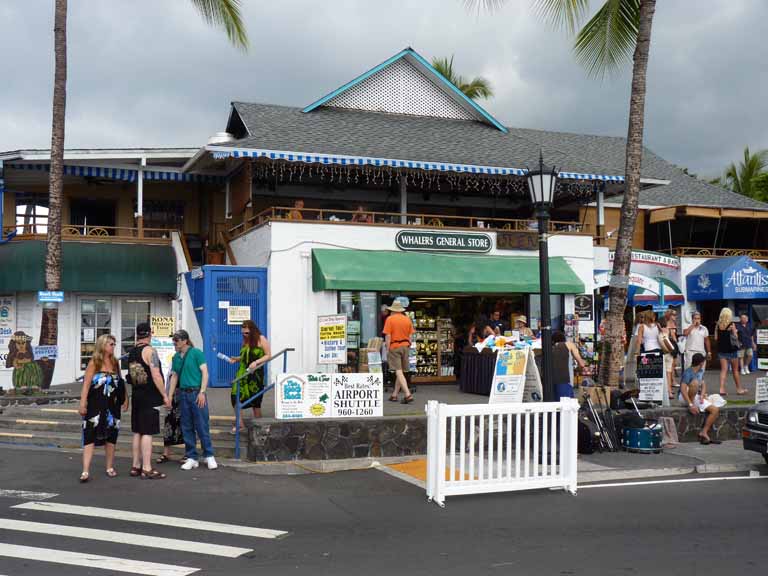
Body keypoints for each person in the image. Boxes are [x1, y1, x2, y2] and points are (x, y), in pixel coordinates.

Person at [78, 334, 127, 483]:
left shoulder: (114, 362)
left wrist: (125, 399)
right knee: (90, 435)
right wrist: (82, 403)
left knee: (111, 436)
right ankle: (85, 470)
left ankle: (109, 467)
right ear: (103, 345)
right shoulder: (94, 362)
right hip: (95, 405)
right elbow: (86, 384)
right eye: (110, 344)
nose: (113, 346)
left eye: (114, 344)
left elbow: (120, 382)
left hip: (112, 405)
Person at [126, 323, 171, 479]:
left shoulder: (132, 352)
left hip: (137, 394)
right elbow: (156, 375)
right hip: (150, 396)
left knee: (137, 431)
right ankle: (147, 467)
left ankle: (135, 465)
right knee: (147, 431)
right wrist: (165, 395)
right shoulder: (150, 351)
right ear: (150, 334)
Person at [168, 330, 217, 470]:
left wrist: (202, 392)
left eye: (176, 341)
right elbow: (175, 377)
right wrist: (170, 395)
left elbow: (205, 372)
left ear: (185, 341)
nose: (174, 343)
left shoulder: (196, 353)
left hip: (196, 392)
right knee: (187, 426)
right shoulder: (176, 357)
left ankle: (209, 455)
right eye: (174, 341)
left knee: (202, 424)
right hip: (183, 394)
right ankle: (191, 456)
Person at [226, 320, 271, 434]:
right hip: (242, 373)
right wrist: (236, 359)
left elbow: (268, 355)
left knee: (255, 403)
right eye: (243, 333)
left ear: (253, 331)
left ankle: (259, 426)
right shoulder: (245, 341)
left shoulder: (261, 339)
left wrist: (256, 362)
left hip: (255, 375)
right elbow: (244, 356)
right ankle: (240, 424)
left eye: (247, 333)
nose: (245, 335)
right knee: (235, 397)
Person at [679, 353, 721, 445]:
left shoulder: (701, 371)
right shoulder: (688, 372)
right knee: (694, 383)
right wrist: (690, 404)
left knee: (715, 410)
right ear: (701, 363)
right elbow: (682, 389)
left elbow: (703, 385)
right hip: (684, 398)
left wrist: (702, 395)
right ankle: (692, 403)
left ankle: (704, 432)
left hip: (695, 397)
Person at [383, 299, 414, 404]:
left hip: (394, 346)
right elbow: (410, 336)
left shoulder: (390, 319)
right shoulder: (407, 319)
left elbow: (388, 336)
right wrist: (408, 346)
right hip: (405, 346)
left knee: (398, 371)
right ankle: (394, 395)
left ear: (393, 310)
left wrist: (387, 349)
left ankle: (407, 394)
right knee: (401, 371)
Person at [637, 311, 674, 399]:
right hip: (658, 350)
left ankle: (649, 394)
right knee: (659, 373)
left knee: (648, 373)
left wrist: (637, 352)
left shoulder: (641, 327)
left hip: (648, 351)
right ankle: (661, 394)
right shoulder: (657, 325)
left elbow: (639, 341)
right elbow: (663, 335)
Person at [714, 307, 747, 396]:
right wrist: (734, 331)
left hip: (721, 351)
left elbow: (716, 338)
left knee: (723, 370)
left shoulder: (718, 325)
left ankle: (721, 389)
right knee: (735, 371)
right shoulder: (732, 324)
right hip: (732, 351)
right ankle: (739, 389)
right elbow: (736, 337)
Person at [551, 331, 586, 399]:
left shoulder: (549, 347)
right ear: (564, 338)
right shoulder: (569, 344)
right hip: (565, 380)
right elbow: (581, 364)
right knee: (566, 406)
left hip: (550, 382)